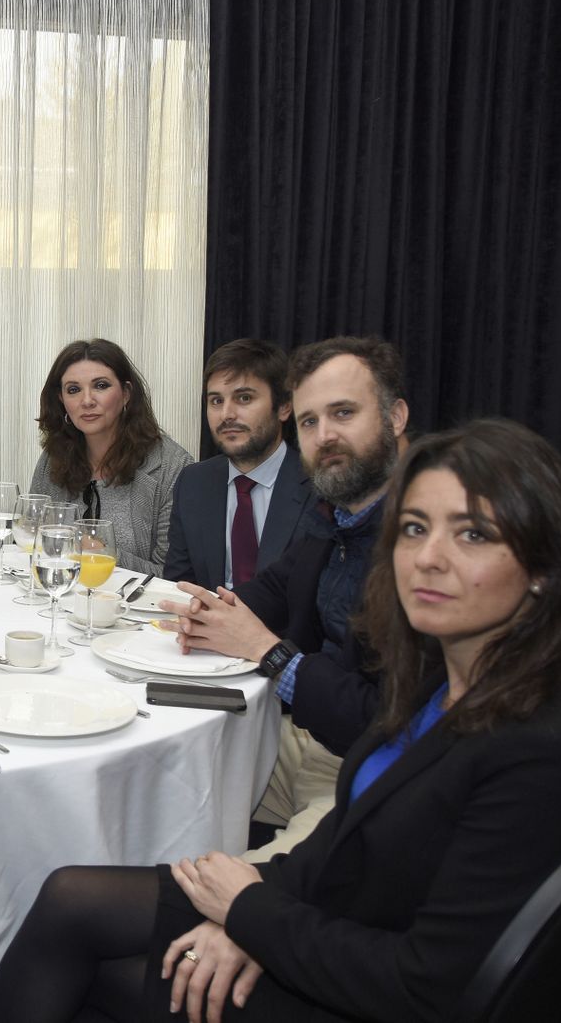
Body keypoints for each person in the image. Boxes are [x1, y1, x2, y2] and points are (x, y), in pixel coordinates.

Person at [0, 418, 561, 1023]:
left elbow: (428, 988)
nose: (429, 557)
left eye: (472, 534)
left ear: (542, 570)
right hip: (329, 917)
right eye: (416, 528)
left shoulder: (547, 751)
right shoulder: (441, 683)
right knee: (70, 898)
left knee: (93, 970)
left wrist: (253, 918)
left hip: (359, 988)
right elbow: (351, 840)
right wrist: (252, 907)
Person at [165, 336, 409, 858]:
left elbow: (387, 719)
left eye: (343, 413)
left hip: (375, 769)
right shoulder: (336, 514)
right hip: (301, 738)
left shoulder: (421, 537)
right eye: (310, 421)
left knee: (230, 899)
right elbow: (278, 584)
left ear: (396, 417)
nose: (324, 436)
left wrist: (268, 651)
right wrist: (211, 614)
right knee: (162, 789)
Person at [29, 339, 193, 573]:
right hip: (63, 599)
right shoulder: (52, 459)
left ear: (126, 394)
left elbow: (173, 575)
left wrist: (105, 554)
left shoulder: (172, 466)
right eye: (73, 390)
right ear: (61, 400)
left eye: (101, 386)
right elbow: (33, 544)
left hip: (135, 606)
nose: (87, 401)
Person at [164, 339, 316, 590]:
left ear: (284, 407)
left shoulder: (317, 486)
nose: (226, 415)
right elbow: (179, 585)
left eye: (244, 398)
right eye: (216, 401)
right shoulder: (193, 482)